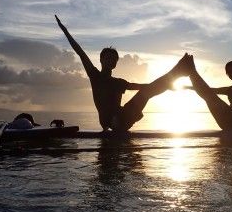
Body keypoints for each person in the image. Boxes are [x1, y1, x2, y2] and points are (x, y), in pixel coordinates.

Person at [55, 15, 189, 132]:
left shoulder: (118, 82)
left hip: (122, 118)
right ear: (101, 60)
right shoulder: (95, 76)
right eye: (108, 58)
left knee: (147, 91)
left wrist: (166, 87)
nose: (111, 60)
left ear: (115, 63)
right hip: (109, 121)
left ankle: (177, 72)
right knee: (148, 90)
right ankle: (178, 71)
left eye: (114, 59)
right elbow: (80, 52)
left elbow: (143, 87)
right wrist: (64, 30)